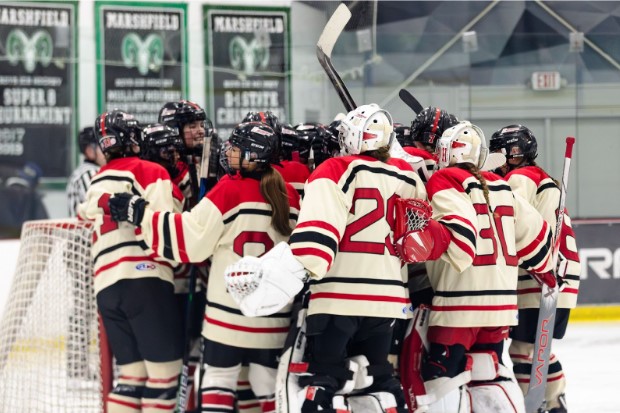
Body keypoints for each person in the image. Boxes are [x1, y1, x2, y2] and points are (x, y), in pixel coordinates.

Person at [227, 103, 427, 412]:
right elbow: (419, 241)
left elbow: (316, 241)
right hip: (388, 301)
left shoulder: (335, 169)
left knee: (325, 380)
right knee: (378, 381)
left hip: (338, 298)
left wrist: (281, 274)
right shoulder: (409, 177)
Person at [106, 122, 301, 413]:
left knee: (219, 382)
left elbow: (189, 239)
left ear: (252, 155)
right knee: (265, 384)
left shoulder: (230, 190)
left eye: (237, 148)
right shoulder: (290, 197)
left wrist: (141, 212)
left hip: (227, 318)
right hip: (272, 319)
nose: (230, 152)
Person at [394, 121, 555, 413]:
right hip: (501, 307)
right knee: (487, 372)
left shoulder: (445, 180)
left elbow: (461, 239)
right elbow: (539, 239)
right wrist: (546, 272)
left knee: (441, 377)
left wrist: (425, 235)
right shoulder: (502, 186)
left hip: (460, 304)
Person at [77, 110, 183, 413]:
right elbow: (165, 224)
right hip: (144, 278)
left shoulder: (99, 178)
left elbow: (85, 212)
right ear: (134, 138)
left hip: (106, 288)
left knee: (131, 377)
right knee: (164, 378)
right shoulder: (149, 170)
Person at [489, 124, 581, 413]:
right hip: (556, 272)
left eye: (505, 153)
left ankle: (547, 403)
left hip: (541, 275)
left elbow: (510, 217)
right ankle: (553, 402)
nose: (501, 159)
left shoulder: (521, 178)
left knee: (525, 350)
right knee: (531, 349)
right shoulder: (538, 176)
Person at [159, 100, 216, 207]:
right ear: (174, 130)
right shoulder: (171, 166)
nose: (201, 131)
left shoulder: (195, 157)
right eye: (193, 126)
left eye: (201, 125)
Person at [66, 126, 107, 217]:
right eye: (102, 146)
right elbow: (99, 208)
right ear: (89, 151)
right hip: (86, 230)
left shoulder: (82, 171)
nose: (106, 151)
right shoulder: (89, 173)